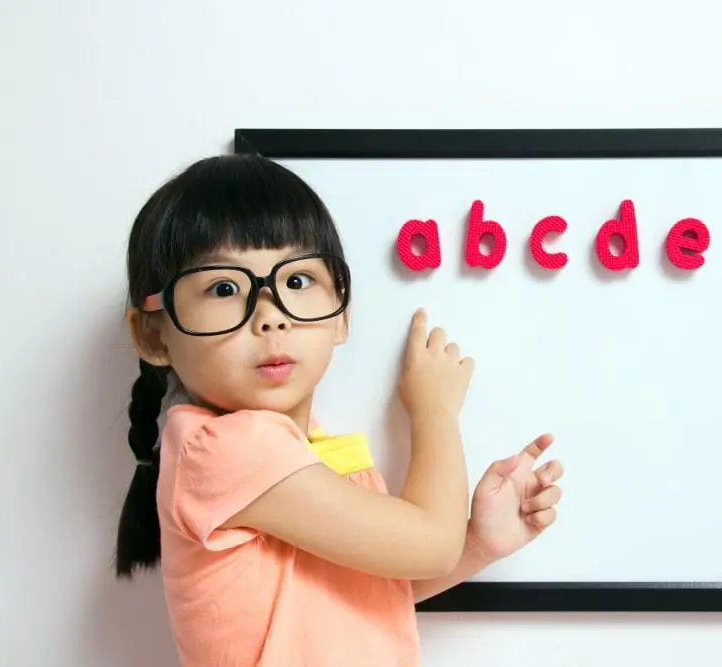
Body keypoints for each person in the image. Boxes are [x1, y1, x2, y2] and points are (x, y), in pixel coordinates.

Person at [113, 153, 565, 666]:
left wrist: (477, 545)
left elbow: (363, 590)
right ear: (154, 333)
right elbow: (428, 544)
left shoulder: (306, 455)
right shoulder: (222, 449)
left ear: (340, 314)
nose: (270, 317)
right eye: (224, 288)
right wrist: (433, 410)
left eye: (298, 282)